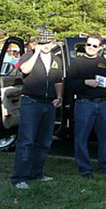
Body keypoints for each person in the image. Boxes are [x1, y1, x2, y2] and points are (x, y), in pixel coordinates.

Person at [11, 29, 63, 189]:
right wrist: (36, 53)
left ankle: (36, 173)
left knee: (44, 141)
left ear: (53, 43)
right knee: (26, 141)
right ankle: (19, 177)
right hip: (31, 102)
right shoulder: (28, 56)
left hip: (49, 104)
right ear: (37, 43)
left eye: (48, 42)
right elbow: (25, 70)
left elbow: (58, 80)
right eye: (42, 42)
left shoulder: (56, 60)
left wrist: (59, 97)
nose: (45, 45)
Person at [67, 34, 106, 178]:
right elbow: (68, 84)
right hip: (85, 104)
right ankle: (85, 169)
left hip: (104, 104)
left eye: (94, 46)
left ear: (100, 48)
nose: (90, 48)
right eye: (88, 44)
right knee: (81, 138)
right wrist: (85, 82)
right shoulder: (77, 63)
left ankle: (105, 167)